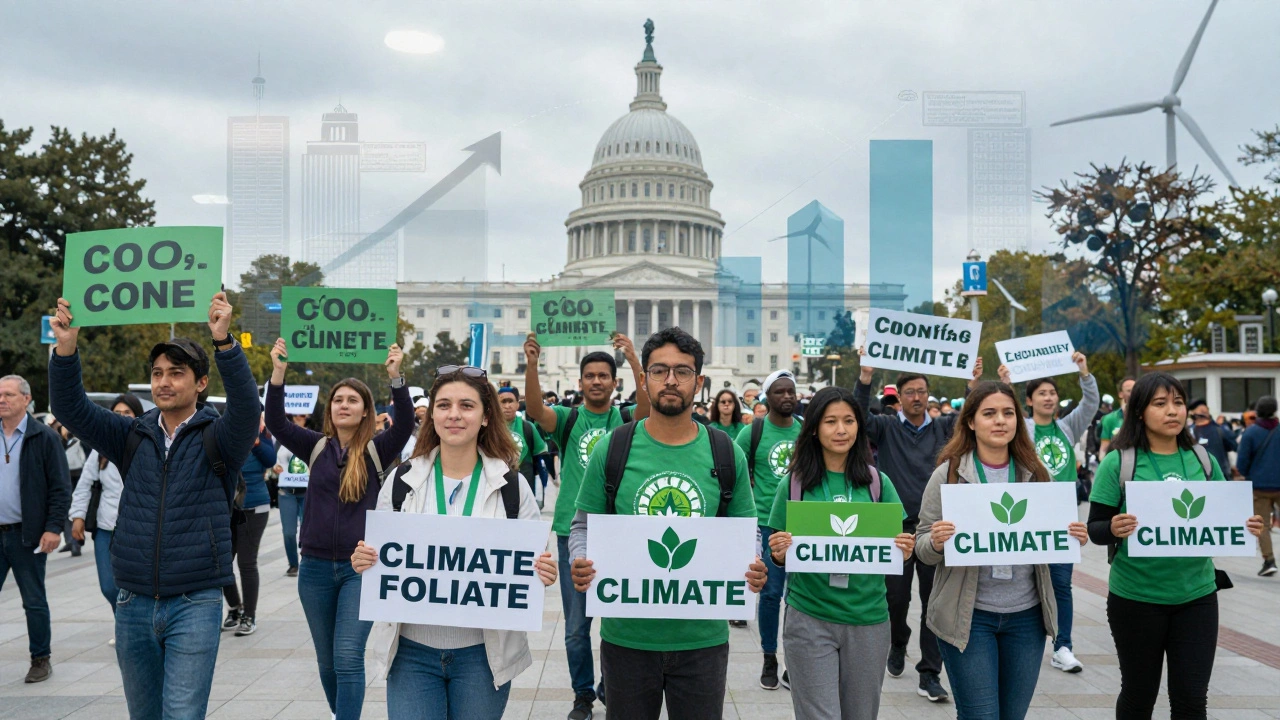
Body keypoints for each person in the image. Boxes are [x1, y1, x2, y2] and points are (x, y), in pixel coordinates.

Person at [49, 293, 259, 717]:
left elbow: (248, 407)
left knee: (181, 713)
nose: (164, 381)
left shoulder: (220, 437)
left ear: (200, 383)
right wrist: (66, 349)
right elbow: (71, 407)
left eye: (176, 373)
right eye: (157, 373)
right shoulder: (130, 434)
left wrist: (224, 343)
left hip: (196, 601)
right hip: (133, 602)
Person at [568, 327, 767, 720]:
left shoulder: (726, 453)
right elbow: (582, 527)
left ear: (700, 381)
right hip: (628, 638)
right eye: (659, 371)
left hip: (703, 640)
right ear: (643, 380)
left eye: (683, 371)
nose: (671, 380)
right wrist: (581, 558)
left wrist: (754, 562)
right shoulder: (614, 448)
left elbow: (747, 531)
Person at [352, 365, 557, 719]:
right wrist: (366, 561)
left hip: (483, 655)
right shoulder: (402, 480)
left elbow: (528, 562)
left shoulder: (511, 487)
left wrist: (542, 570)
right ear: (431, 414)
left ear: (486, 416)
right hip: (411, 652)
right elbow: (384, 561)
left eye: (467, 405)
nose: (454, 415)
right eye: (444, 405)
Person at [1087, 373, 1265, 719]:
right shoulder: (1119, 462)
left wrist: (1247, 526)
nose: (1173, 411)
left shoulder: (1204, 460)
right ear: (1139, 411)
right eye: (1160, 403)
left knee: (1191, 702)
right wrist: (1112, 527)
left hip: (1197, 598)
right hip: (1135, 599)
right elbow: (1095, 529)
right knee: (1139, 697)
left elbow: (1223, 515)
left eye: (1178, 402)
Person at [915, 382, 1086, 719]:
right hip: (969, 619)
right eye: (989, 413)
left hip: (1027, 619)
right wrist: (935, 541)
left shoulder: (1037, 475)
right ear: (970, 422)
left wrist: (1070, 535)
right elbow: (922, 547)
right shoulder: (949, 475)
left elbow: (1050, 538)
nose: (1000, 421)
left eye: (1008, 413)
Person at [264, 337, 414, 720]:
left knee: (348, 657)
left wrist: (395, 377)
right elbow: (278, 423)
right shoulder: (315, 446)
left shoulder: (379, 449)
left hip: (358, 570)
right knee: (328, 662)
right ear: (330, 410)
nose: (343, 405)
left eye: (352, 400)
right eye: (337, 400)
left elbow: (407, 423)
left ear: (366, 411)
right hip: (313, 569)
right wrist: (278, 373)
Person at [765, 386, 914, 720]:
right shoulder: (794, 484)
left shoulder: (878, 483)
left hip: (869, 621)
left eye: (849, 421)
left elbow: (898, 544)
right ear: (815, 428)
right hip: (809, 619)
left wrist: (905, 550)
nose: (841, 429)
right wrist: (777, 552)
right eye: (831, 421)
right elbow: (776, 548)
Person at [522, 332, 648, 720]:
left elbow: (647, 410)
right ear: (580, 384)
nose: (596, 381)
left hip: (620, 533)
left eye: (603, 376)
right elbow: (534, 410)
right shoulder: (568, 418)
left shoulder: (625, 419)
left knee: (619, 617)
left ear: (614, 382)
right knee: (577, 627)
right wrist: (531, 365)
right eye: (589, 376)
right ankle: (582, 695)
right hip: (572, 531)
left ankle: (610, 683)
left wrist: (633, 360)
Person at [854, 349, 984, 703]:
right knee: (895, 598)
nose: (916, 397)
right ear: (899, 397)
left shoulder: (944, 427)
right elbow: (858, 417)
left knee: (934, 600)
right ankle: (898, 641)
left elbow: (972, 418)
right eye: (909, 392)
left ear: (928, 396)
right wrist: (865, 379)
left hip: (935, 530)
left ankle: (930, 672)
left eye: (922, 392)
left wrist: (972, 387)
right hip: (896, 529)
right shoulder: (885, 427)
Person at [997, 352, 1098, 673]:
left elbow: (1090, 403)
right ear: (1029, 401)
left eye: (1053, 393)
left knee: (1061, 583)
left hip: (1062, 515)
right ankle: (1016, 641)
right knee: (1019, 580)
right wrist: (1005, 385)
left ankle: (1063, 645)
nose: (1049, 398)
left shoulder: (1068, 427)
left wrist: (1084, 372)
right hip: (1027, 514)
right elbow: (1004, 411)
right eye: (1042, 393)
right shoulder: (1022, 428)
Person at [0, 374, 71, 684]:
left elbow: (60, 487)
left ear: (26, 399)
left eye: (8, 395)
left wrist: (54, 527)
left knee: (33, 599)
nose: (2, 400)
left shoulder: (44, 437)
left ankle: (40, 658)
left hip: (26, 535)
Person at [733, 368, 801, 687]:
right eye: (779, 391)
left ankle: (795, 660)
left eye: (791, 391)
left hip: (802, 524)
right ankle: (770, 657)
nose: (786, 396)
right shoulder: (753, 432)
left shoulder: (806, 432)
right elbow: (730, 468)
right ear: (766, 397)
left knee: (799, 596)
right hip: (766, 524)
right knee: (771, 594)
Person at [70, 394, 144, 618]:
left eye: (127, 414)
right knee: (109, 587)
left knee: (134, 586)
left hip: (137, 529)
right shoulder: (101, 449)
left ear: (137, 416)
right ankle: (124, 623)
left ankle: (131, 627)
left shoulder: (147, 444)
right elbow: (84, 485)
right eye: (116, 414)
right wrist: (78, 517)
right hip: (105, 528)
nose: (121, 419)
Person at [221, 415, 277, 636]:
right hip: (228, 508)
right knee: (222, 562)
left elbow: (270, 460)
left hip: (255, 506)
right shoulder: (227, 437)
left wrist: (254, 440)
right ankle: (235, 608)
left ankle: (249, 616)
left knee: (246, 562)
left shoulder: (261, 440)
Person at [1236, 395, 1280, 576]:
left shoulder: (1251, 432)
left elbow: (1242, 463)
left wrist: (1249, 474)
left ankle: (1269, 561)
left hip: (1259, 486)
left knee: (1263, 525)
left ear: (1258, 412)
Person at [272, 412, 311, 578]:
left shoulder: (313, 437)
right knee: (288, 532)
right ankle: (293, 564)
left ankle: (307, 561)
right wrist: (274, 467)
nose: (298, 417)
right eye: (295, 414)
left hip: (308, 492)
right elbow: (272, 459)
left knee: (307, 531)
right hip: (287, 492)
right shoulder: (282, 438)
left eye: (302, 414)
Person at [497, 386, 546, 492]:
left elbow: (539, 456)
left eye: (511, 401)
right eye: (503, 402)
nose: (507, 406)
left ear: (517, 404)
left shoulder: (528, 427)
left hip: (524, 487)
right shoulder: (489, 429)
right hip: (497, 487)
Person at [1188, 399, 1238, 479]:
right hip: (1198, 478)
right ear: (1193, 413)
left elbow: (1234, 446)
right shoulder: (1189, 432)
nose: (1203, 412)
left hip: (1220, 477)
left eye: (1205, 410)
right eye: (1200, 410)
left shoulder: (1220, 430)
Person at [1098, 376, 1135, 458]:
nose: (1134, 393)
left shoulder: (1146, 416)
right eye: (1129, 391)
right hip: (1120, 466)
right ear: (1121, 394)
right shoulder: (1109, 419)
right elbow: (1104, 448)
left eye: (1136, 390)